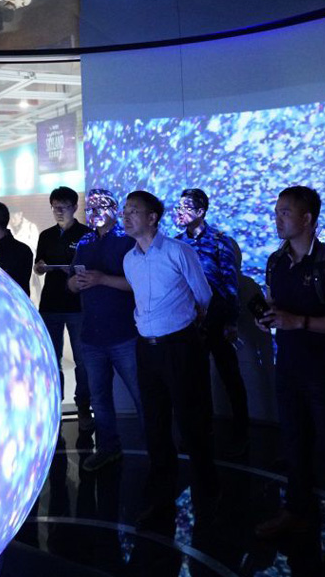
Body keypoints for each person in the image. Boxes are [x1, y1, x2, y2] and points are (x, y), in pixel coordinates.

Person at [254, 186, 325, 577]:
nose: (278, 218)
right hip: (288, 367)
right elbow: (273, 306)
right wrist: (266, 318)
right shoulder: (275, 261)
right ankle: (297, 511)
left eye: (285, 212)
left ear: (308, 218)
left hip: (322, 371)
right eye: (276, 211)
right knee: (294, 445)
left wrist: (299, 322)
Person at [123, 190, 217, 525]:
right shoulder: (129, 259)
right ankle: (161, 495)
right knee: (155, 423)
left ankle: (208, 491)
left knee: (192, 421)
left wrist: (188, 325)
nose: (126, 216)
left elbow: (204, 295)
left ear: (152, 218)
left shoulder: (178, 251)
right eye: (125, 210)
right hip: (146, 348)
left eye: (134, 211)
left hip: (179, 345)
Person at [68, 189, 143, 474]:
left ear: (115, 209)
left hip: (124, 333)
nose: (94, 212)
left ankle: (160, 450)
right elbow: (71, 282)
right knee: (99, 398)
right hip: (92, 336)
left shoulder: (128, 240)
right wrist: (75, 284)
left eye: (101, 207)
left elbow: (140, 283)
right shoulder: (85, 241)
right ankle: (108, 448)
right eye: (90, 208)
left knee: (142, 394)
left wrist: (103, 279)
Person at [173, 187, 250, 455]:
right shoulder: (176, 243)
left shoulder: (219, 241)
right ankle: (201, 429)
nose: (179, 212)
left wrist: (231, 321)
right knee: (195, 378)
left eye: (186, 207)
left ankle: (241, 430)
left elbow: (230, 283)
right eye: (179, 207)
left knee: (229, 374)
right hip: (190, 320)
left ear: (201, 211)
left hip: (217, 317)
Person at [33, 186, 95, 433]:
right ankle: (54, 404)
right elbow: (38, 265)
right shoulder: (46, 235)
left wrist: (70, 269)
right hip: (50, 303)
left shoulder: (86, 235)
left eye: (63, 207)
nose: (58, 211)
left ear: (75, 207)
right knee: (52, 357)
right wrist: (40, 267)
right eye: (55, 207)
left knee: (82, 359)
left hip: (78, 304)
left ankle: (83, 406)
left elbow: (91, 266)